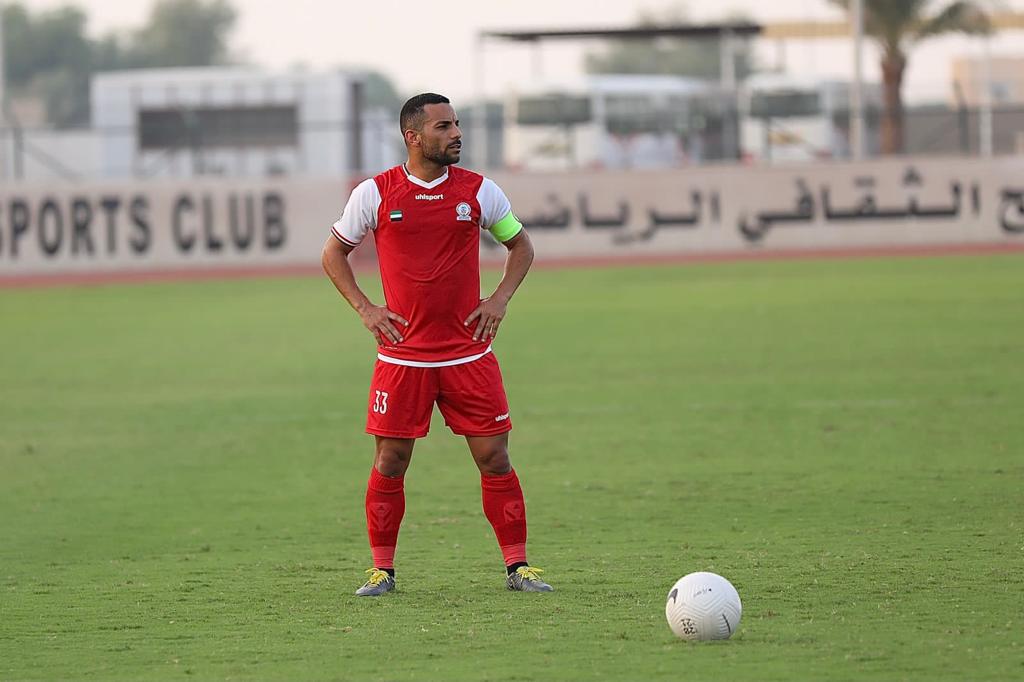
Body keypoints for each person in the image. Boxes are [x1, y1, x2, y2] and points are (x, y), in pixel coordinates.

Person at [322, 93, 552, 596]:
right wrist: (366, 308)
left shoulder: (479, 191)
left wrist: (500, 299)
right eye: (443, 126)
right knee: (391, 461)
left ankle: (518, 567)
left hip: (469, 353)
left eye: (456, 125)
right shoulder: (375, 193)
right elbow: (333, 253)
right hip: (402, 357)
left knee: (495, 457)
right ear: (413, 136)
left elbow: (520, 245)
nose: (456, 134)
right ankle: (382, 571)